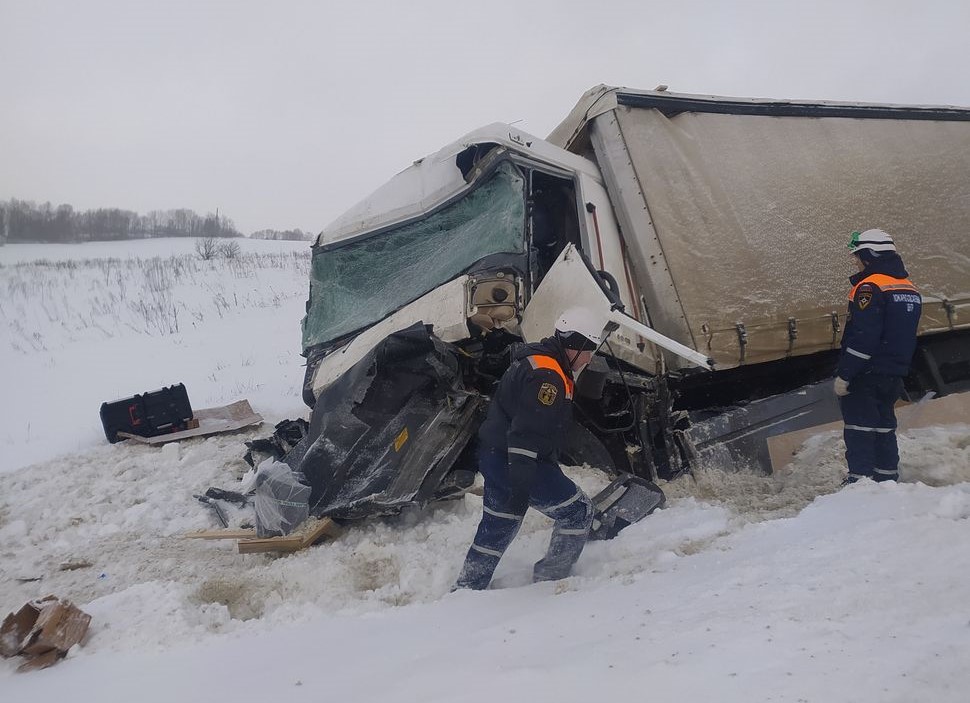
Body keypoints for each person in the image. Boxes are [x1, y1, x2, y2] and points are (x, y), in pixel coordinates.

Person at [454, 307, 604, 590]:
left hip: (497, 456)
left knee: (500, 523)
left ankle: (468, 587)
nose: (590, 357)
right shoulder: (548, 378)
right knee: (578, 512)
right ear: (575, 344)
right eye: (589, 348)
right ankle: (551, 578)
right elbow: (525, 433)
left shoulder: (539, 360)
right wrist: (521, 482)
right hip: (518, 462)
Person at [835, 228, 921, 483]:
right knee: (884, 429)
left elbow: (864, 337)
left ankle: (860, 485)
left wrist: (845, 374)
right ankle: (886, 482)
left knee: (859, 429)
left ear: (870, 255)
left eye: (858, 256)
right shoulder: (909, 288)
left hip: (866, 373)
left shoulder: (870, 288)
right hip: (893, 374)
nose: (856, 261)